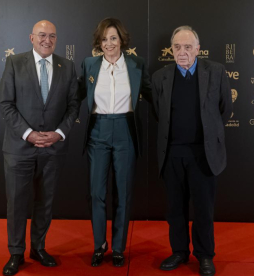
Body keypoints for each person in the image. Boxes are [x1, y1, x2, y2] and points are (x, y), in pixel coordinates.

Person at [0, 20, 79, 275]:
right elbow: (6, 104)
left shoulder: (67, 66)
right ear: (31, 37)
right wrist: (29, 134)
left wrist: (58, 134)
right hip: (19, 148)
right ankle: (15, 253)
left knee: (45, 202)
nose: (47, 40)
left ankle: (38, 248)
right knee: (17, 202)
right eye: (42, 35)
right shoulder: (14, 63)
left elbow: (73, 106)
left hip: (53, 149)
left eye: (52, 36)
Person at [152, 26, 232, 276]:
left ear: (198, 49)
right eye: (177, 47)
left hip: (203, 155)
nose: (182, 51)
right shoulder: (160, 77)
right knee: (175, 209)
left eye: (188, 47)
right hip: (173, 154)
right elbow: (159, 113)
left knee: (203, 209)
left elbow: (224, 109)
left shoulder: (216, 71)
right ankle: (179, 251)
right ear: (171, 49)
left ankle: (205, 255)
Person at [79, 17, 151, 267]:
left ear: (121, 40)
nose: (109, 43)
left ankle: (119, 247)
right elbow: (76, 96)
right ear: (99, 43)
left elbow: (154, 97)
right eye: (104, 39)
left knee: (123, 192)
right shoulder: (89, 64)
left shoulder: (136, 64)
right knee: (96, 193)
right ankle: (99, 245)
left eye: (113, 38)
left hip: (125, 131)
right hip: (97, 131)